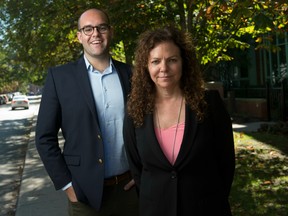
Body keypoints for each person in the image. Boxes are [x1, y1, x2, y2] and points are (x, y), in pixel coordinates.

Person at [123, 26, 235, 216]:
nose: (163, 68)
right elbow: (138, 169)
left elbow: (226, 163)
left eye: (172, 60)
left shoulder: (209, 104)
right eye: (155, 61)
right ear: (146, 67)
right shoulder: (135, 112)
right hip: (156, 209)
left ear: (184, 63)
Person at [35, 8, 138, 216]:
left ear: (111, 31)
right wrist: (67, 185)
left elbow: (148, 128)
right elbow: (44, 138)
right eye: (88, 29)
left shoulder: (132, 75)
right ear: (79, 36)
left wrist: (142, 171)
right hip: (84, 196)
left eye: (101, 27)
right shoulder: (59, 78)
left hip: (131, 191)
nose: (95, 34)